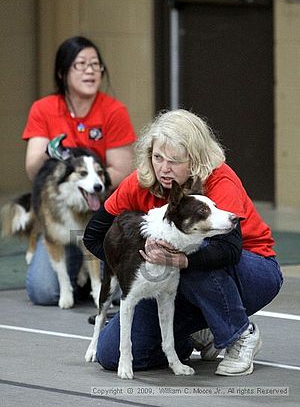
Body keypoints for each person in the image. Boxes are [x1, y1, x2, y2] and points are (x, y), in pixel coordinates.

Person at [83, 109, 283, 377]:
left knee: (191, 247)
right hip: (173, 279)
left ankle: (240, 335)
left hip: (252, 272)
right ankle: (198, 330)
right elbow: (93, 237)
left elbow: (229, 250)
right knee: (109, 353)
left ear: (195, 159)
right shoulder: (141, 181)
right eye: (157, 158)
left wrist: (179, 260)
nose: (164, 168)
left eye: (174, 161)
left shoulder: (219, 179)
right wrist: (133, 263)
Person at [22, 36, 136, 306]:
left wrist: (89, 186)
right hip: (62, 210)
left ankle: (92, 271)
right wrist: (49, 153)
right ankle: (81, 273)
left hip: (99, 211)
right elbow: (32, 171)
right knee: (43, 291)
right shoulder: (44, 109)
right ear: (62, 73)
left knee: (124, 292)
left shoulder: (114, 111)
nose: (90, 71)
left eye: (96, 65)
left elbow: (120, 171)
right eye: (81, 64)